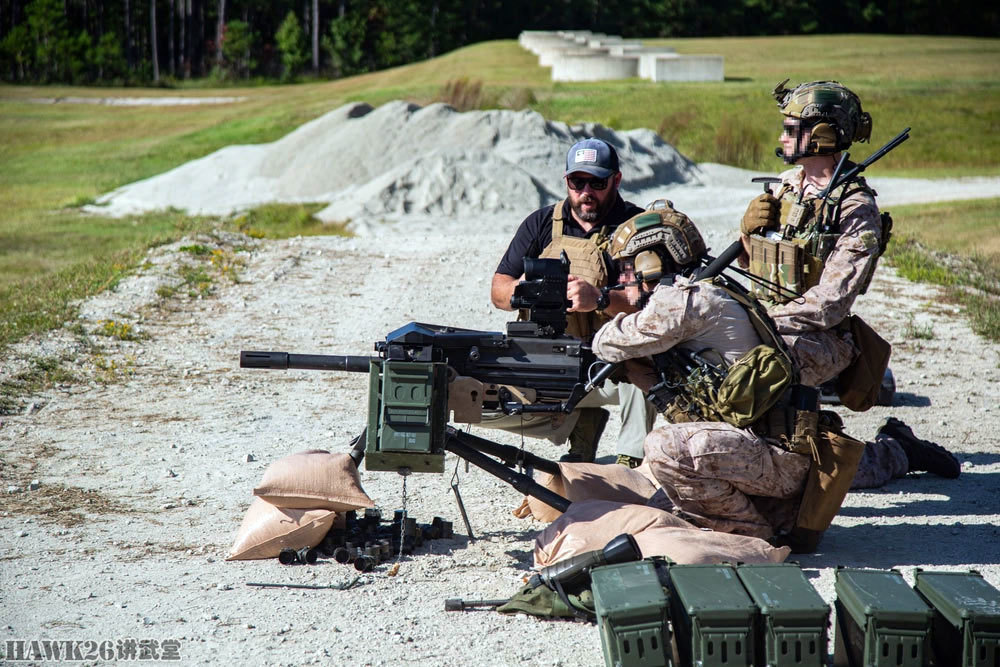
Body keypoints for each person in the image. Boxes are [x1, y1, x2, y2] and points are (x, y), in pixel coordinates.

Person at [592, 207, 961, 542]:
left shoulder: (688, 301)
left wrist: (597, 304)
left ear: (652, 262)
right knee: (659, 500)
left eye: (627, 267)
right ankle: (898, 451)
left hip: (774, 454)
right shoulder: (695, 296)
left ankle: (755, 534)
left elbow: (608, 344)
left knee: (664, 449)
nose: (622, 277)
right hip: (758, 446)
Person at [740, 79, 959, 480]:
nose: (781, 137)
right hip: (771, 325)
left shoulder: (856, 209)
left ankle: (896, 452)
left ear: (821, 136)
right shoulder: (788, 188)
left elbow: (832, 303)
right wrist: (746, 234)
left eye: (791, 129)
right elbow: (754, 265)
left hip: (825, 339)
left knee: (811, 477)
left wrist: (759, 325)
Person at [490, 138, 656, 465]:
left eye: (597, 182)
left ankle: (629, 464)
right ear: (566, 181)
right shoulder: (540, 224)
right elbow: (499, 289)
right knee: (484, 402)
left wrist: (599, 299)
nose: (586, 191)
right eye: (577, 182)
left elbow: (650, 302)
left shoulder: (636, 227)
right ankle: (582, 424)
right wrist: (525, 289)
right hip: (552, 362)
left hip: (613, 365)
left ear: (616, 181)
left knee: (649, 367)